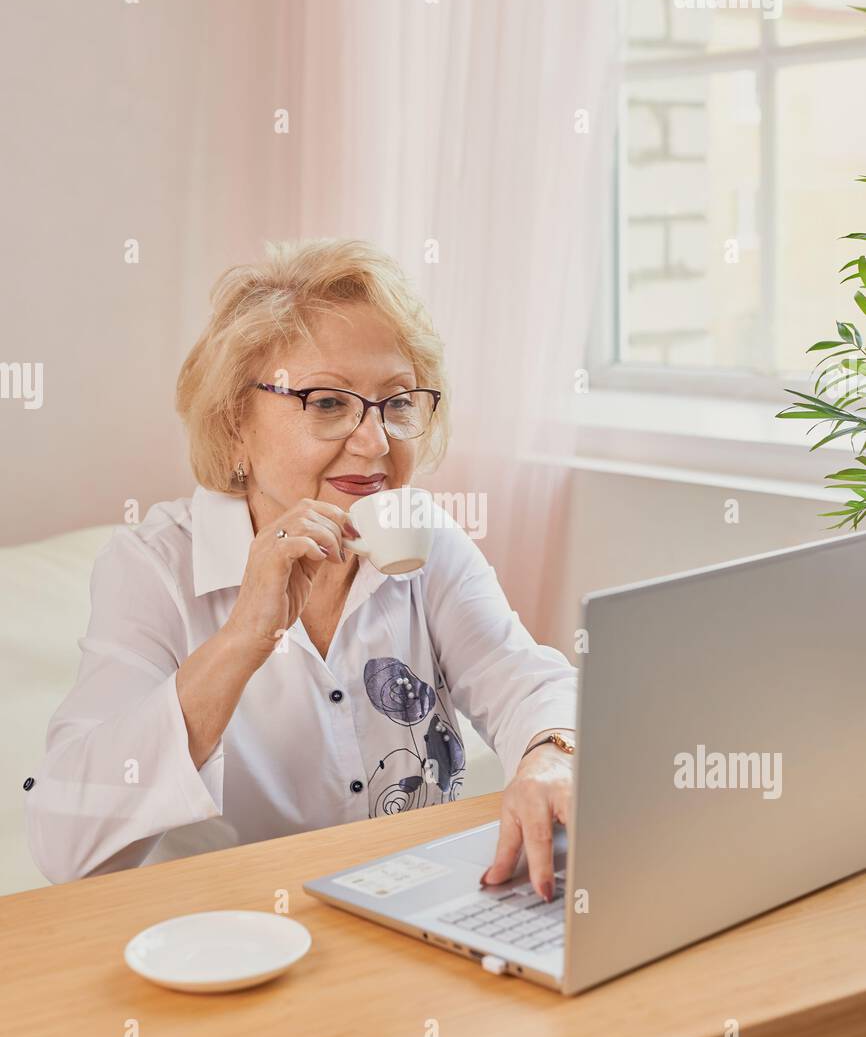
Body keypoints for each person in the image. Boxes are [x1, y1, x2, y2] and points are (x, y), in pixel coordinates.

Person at [26, 238, 577, 895]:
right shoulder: (155, 568)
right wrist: (243, 639)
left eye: (398, 402)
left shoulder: (424, 540)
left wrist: (553, 755)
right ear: (235, 425)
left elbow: (520, 679)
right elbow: (64, 842)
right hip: (226, 939)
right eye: (327, 403)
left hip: (410, 912)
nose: (374, 442)